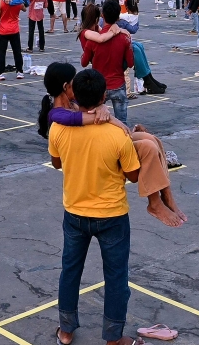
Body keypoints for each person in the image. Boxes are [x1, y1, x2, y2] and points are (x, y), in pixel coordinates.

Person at [48, 68, 153, 345]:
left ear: (74, 95)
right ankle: (114, 339)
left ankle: (66, 331)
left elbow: (56, 163)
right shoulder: (117, 133)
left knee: (70, 271)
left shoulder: (59, 127)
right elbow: (133, 175)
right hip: (112, 214)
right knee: (116, 277)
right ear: (104, 97)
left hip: (75, 211)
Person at [38, 62, 186, 227]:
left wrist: (103, 108)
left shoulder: (74, 104)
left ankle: (166, 195)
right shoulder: (57, 114)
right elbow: (75, 121)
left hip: (104, 139)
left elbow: (90, 107)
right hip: (96, 150)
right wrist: (109, 117)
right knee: (147, 147)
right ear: (66, 87)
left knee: (150, 139)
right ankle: (154, 202)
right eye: (74, 83)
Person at [80, 0, 135, 123]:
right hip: (118, 84)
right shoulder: (124, 38)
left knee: (95, 120)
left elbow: (84, 63)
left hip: (99, 86)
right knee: (122, 122)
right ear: (118, 16)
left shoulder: (92, 39)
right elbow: (131, 63)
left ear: (102, 15)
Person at [0, 0, 28, 80]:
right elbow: (25, 9)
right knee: (17, 51)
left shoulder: (1, 2)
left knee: (2, 52)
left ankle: (0, 72)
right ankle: (20, 71)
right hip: (14, 29)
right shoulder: (19, 2)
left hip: (3, 30)